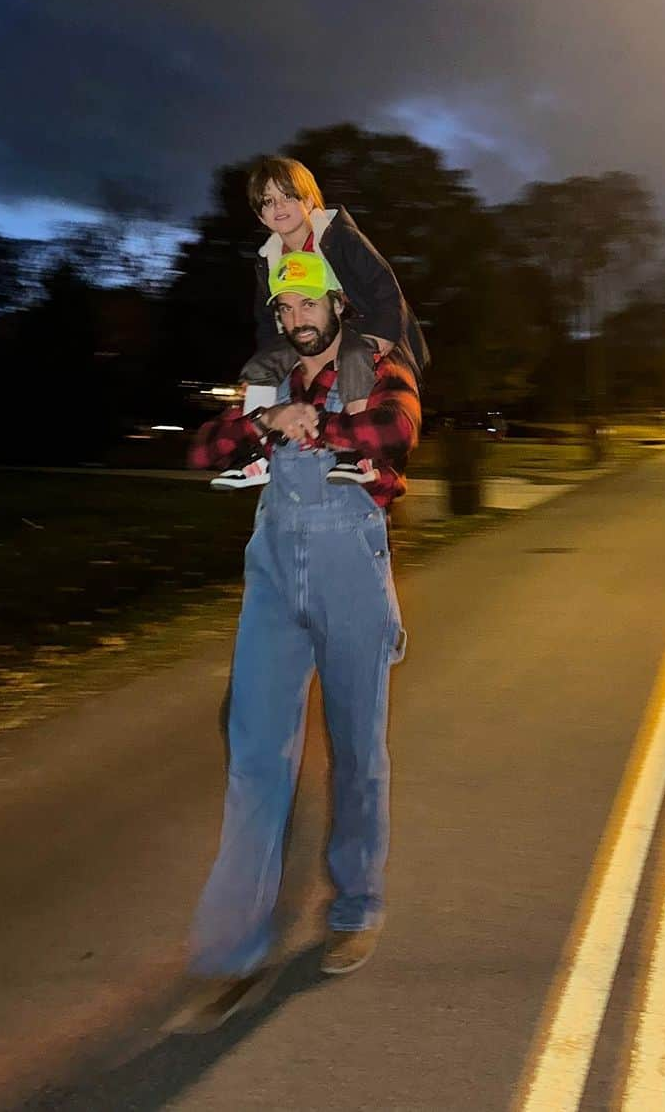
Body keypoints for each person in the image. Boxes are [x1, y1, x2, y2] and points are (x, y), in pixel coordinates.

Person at [171, 251, 420, 1033]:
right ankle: (234, 950)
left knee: (356, 746)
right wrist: (264, 420)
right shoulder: (264, 379)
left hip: (352, 565)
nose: (297, 315)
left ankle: (356, 904)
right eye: (286, 307)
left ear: (339, 303)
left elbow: (399, 429)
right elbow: (203, 451)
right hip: (275, 577)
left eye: (310, 301)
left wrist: (322, 424)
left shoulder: (380, 363)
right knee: (255, 758)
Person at [210, 154, 429, 491]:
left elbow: (384, 286)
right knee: (259, 367)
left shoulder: (337, 235)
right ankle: (255, 454)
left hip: (360, 324)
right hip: (307, 333)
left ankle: (356, 452)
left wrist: (383, 337)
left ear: (309, 200)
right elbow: (266, 318)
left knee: (355, 358)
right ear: (259, 214)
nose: (279, 207)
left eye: (288, 196)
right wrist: (272, 359)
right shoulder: (269, 257)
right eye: (268, 202)